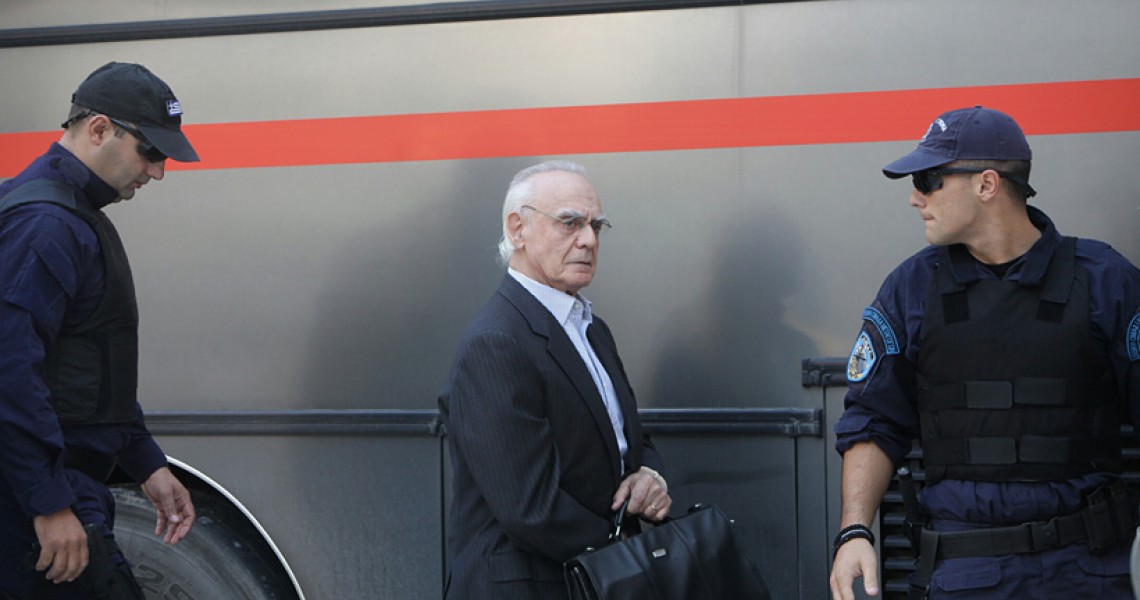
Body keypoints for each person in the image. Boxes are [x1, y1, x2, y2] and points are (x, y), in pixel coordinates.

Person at [829, 106, 1140, 599]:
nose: (915, 197)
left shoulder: (1105, 280)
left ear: (987, 184)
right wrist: (854, 531)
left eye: (929, 180)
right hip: (967, 571)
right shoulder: (912, 288)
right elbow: (873, 420)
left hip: (1091, 566)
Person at [0, 62, 200, 599]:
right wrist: (48, 503)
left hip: (55, 489)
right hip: (34, 503)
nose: (157, 171)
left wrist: (146, 462)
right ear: (98, 129)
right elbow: (11, 373)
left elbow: (86, 368)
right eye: (150, 151)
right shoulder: (47, 224)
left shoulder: (69, 215)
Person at [438, 160, 672, 599]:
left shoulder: (591, 329)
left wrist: (649, 475)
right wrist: (626, 553)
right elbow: (529, 506)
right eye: (570, 223)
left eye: (596, 226)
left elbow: (626, 438)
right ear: (518, 229)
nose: (589, 240)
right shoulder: (496, 342)